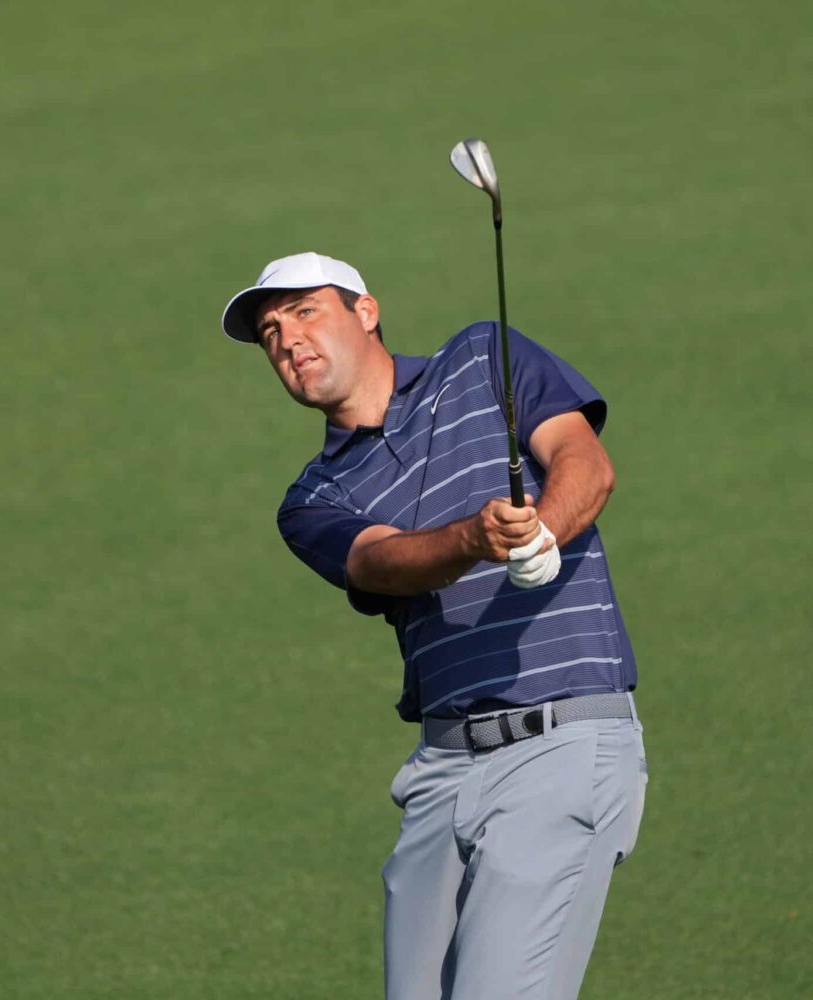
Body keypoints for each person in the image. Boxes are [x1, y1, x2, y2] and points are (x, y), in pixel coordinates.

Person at [221, 252, 648, 1000]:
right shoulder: (312, 498)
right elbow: (381, 563)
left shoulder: (484, 357)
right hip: (442, 774)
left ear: (366, 311)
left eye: (305, 311)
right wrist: (474, 540)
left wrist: (541, 533)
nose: (285, 340)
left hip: (560, 745)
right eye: (269, 332)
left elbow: (584, 461)